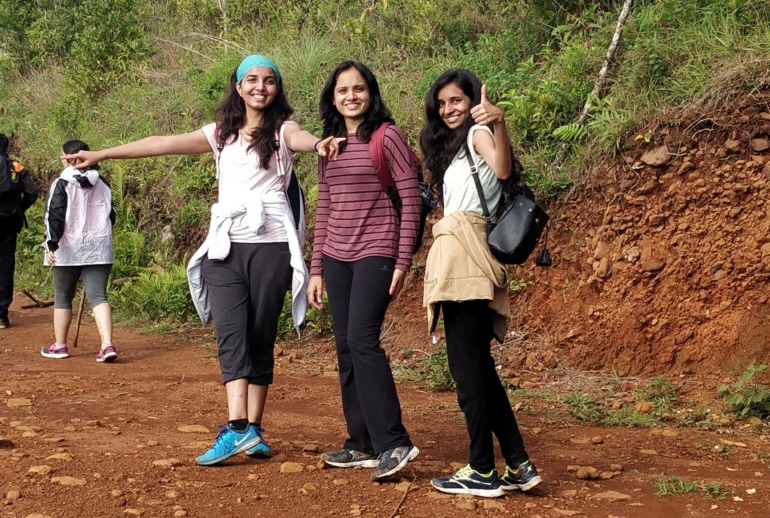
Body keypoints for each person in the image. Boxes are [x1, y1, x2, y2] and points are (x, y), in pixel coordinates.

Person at [63, 54, 338, 466]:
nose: (260, 87)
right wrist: (101, 154)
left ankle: (253, 430)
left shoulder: (283, 131)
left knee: (260, 334)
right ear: (238, 86)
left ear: (277, 88)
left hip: (271, 247)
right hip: (223, 248)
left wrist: (318, 144)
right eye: (251, 79)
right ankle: (237, 426)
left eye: (269, 80)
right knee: (230, 332)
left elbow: (301, 137)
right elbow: (160, 144)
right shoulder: (220, 134)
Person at [419, 69, 541, 497]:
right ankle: (518, 464)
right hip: (466, 254)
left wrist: (498, 121)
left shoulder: (477, 134)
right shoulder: (457, 148)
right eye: (442, 103)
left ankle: (481, 469)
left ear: (473, 101)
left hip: (464, 257)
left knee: (466, 370)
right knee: (480, 369)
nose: (448, 109)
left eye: (456, 100)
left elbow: (503, 168)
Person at [308, 60, 421, 480]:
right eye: (342, 90)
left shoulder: (387, 136)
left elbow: (411, 200)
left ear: (371, 94)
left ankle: (394, 441)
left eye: (358, 89)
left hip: (377, 251)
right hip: (336, 255)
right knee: (345, 346)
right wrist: (316, 267)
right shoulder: (329, 145)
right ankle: (362, 442)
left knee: (362, 340)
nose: (351, 96)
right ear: (332, 97)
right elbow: (325, 205)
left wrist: (403, 260)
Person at [41, 140, 118, 361]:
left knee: (63, 297)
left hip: (67, 247)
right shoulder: (103, 182)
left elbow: (54, 216)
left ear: (69, 158)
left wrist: (51, 244)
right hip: (99, 247)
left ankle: (60, 346)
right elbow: (112, 214)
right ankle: (107, 344)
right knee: (99, 296)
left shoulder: (61, 183)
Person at [0, 134, 39, 329]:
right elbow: (32, 193)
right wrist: (18, 210)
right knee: (6, 266)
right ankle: (1, 316)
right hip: (9, 224)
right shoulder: (16, 166)